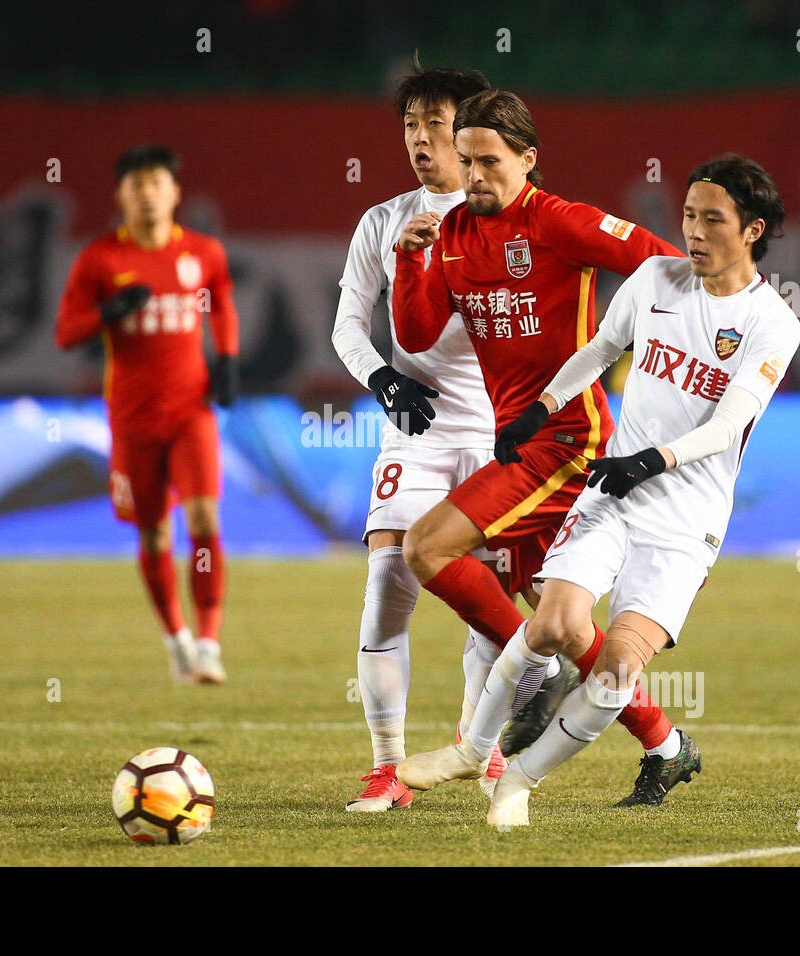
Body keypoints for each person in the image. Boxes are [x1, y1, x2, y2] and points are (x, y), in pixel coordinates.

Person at [392, 89, 701, 806]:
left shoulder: (560, 221)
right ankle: (665, 743)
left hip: (565, 440)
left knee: (426, 548)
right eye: (465, 160)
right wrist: (410, 262)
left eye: (489, 162)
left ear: (528, 159)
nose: (474, 176)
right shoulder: (452, 232)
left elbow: (664, 267)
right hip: (520, 441)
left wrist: (663, 360)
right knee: (560, 624)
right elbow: (415, 333)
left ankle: (534, 672)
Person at [474, 154, 800, 829]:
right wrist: (537, 411)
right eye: (688, 215)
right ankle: (473, 752)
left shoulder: (773, 322)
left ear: (753, 229)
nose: (695, 232)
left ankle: (522, 784)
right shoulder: (655, 277)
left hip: (687, 518)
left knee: (617, 668)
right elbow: (600, 348)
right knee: (555, 624)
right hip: (615, 492)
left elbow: (730, 423)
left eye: (713, 219)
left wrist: (650, 460)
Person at [332, 59, 512, 811]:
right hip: (418, 428)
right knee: (385, 589)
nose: (420, 139)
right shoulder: (381, 221)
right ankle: (387, 768)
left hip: (502, 434)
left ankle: (487, 750)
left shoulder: (511, 218)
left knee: (491, 603)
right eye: (410, 125)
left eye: (435, 123)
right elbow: (346, 325)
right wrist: (382, 378)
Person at [56, 145, 239, 685]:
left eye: (156, 183)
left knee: (205, 520)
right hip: (133, 420)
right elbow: (66, 332)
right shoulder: (101, 260)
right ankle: (176, 638)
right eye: (136, 186)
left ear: (175, 192)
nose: (147, 195)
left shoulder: (203, 252)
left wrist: (226, 359)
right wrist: (106, 313)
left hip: (191, 414)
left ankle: (208, 641)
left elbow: (222, 303)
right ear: (121, 197)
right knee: (155, 534)